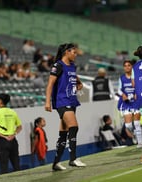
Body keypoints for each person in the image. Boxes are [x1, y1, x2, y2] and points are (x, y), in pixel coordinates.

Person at [45, 43, 86, 171]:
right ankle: (73, 159)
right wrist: (47, 102)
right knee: (74, 127)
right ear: (66, 52)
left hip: (72, 101)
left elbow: (76, 80)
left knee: (63, 134)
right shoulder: (58, 66)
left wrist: (79, 84)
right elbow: (50, 84)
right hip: (62, 102)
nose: (75, 54)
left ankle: (56, 163)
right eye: (74, 52)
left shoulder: (72, 66)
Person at [0, 93, 22, 174]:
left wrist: (4, 136)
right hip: (13, 140)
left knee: (4, 166)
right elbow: (19, 127)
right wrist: (13, 134)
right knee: (16, 165)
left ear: (0, 101)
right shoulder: (12, 112)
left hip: (3, 141)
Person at [118, 60, 142, 148]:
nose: (127, 67)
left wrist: (137, 93)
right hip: (127, 103)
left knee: (137, 123)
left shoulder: (136, 77)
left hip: (135, 102)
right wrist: (123, 95)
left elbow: (140, 86)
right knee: (128, 125)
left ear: (132, 67)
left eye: (129, 65)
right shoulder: (121, 78)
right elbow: (119, 89)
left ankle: (140, 143)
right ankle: (134, 134)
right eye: (125, 66)